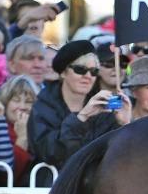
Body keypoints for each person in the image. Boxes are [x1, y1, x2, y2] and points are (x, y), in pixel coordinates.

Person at [29, 40, 130, 168]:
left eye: (93, 71)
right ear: (64, 72)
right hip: (51, 185)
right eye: (80, 69)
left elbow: (117, 155)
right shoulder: (43, 106)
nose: (88, 76)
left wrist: (124, 124)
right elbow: (50, 153)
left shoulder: (102, 105)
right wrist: (81, 118)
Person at [0, 74, 37, 184]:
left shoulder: (40, 130)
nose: (22, 106)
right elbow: (5, 178)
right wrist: (22, 139)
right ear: (5, 103)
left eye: (28, 102)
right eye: (16, 100)